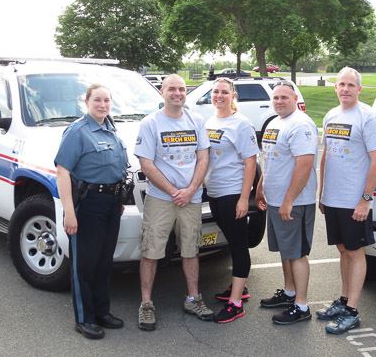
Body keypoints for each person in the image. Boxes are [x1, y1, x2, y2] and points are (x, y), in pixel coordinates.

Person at [135, 73, 213, 331]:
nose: (177, 93)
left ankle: (193, 298)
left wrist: (190, 190)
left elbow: (203, 158)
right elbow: (145, 164)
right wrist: (172, 190)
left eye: (181, 89)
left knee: (191, 250)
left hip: (191, 199)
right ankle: (146, 304)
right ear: (162, 92)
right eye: (172, 89)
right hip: (160, 199)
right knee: (151, 251)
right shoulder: (150, 123)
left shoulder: (197, 120)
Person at [55, 84, 128, 340]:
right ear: (86, 102)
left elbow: (118, 168)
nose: (103, 105)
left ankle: (101, 312)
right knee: (84, 265)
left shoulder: (111, 129)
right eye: (97, 100)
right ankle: (84, 319)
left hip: (111, 203)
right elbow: (62, 172)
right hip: (88, 206)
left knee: (104, 262)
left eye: (107, 100)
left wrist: (118, 199)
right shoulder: (78, 132)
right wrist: (69, 212)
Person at [318, 66, 376, 334]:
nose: (345, 89)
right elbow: (326, 156)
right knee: (343, 249)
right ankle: (343, 300)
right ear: (335, 88)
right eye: (341, 84)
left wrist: (365, 199)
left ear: (359, 88)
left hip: (354, 200)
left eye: (350, 85)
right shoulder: (331, 115)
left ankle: (353, 310)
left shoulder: (368, 117)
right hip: (333, 198)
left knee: (356, 252)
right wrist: (322, 193)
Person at [256, 81, 318, 325]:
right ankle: (289, 292)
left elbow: (304, 165)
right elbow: (269, 160)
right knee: (286, 250)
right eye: (276, 97)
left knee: (297, 253)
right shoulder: (275, 122)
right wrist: (261, 188)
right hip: (275, 199)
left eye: (285, 97)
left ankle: (301, 306)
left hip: (294, 203)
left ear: (295, 98)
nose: (279, 101)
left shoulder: (301, 124)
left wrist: (289, 200)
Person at [203, 78, 259, 323]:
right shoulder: (211, 121)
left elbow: (250, 162)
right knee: (231, 240)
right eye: (216, 92)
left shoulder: (241, 124)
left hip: (233, 193)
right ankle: (239, 287)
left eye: (224, 92)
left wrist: (244, 198)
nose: (219, 96)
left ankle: (236, 304)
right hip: (214, 193)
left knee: (238, 244)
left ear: (233, 95)